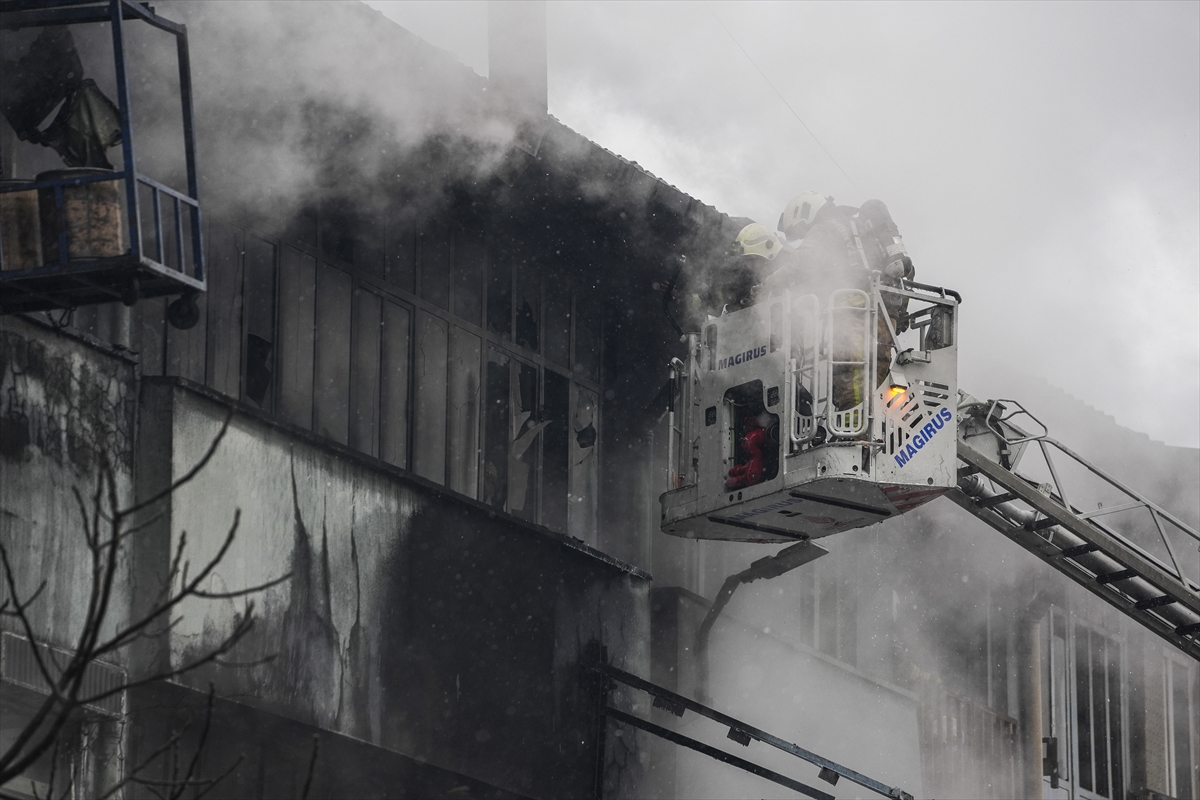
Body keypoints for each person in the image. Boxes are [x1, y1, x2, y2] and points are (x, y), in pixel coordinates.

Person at [772, 192, 916, 413]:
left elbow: (800, 263)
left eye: (801, 230)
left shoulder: (826, 227)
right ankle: (873, 425)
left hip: (855, 313)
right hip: (885, 313)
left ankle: (856, 429)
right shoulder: (856, 226)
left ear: (805, 213)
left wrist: (767, 284)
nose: (804, 235)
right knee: (875, 373)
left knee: (851, 378)